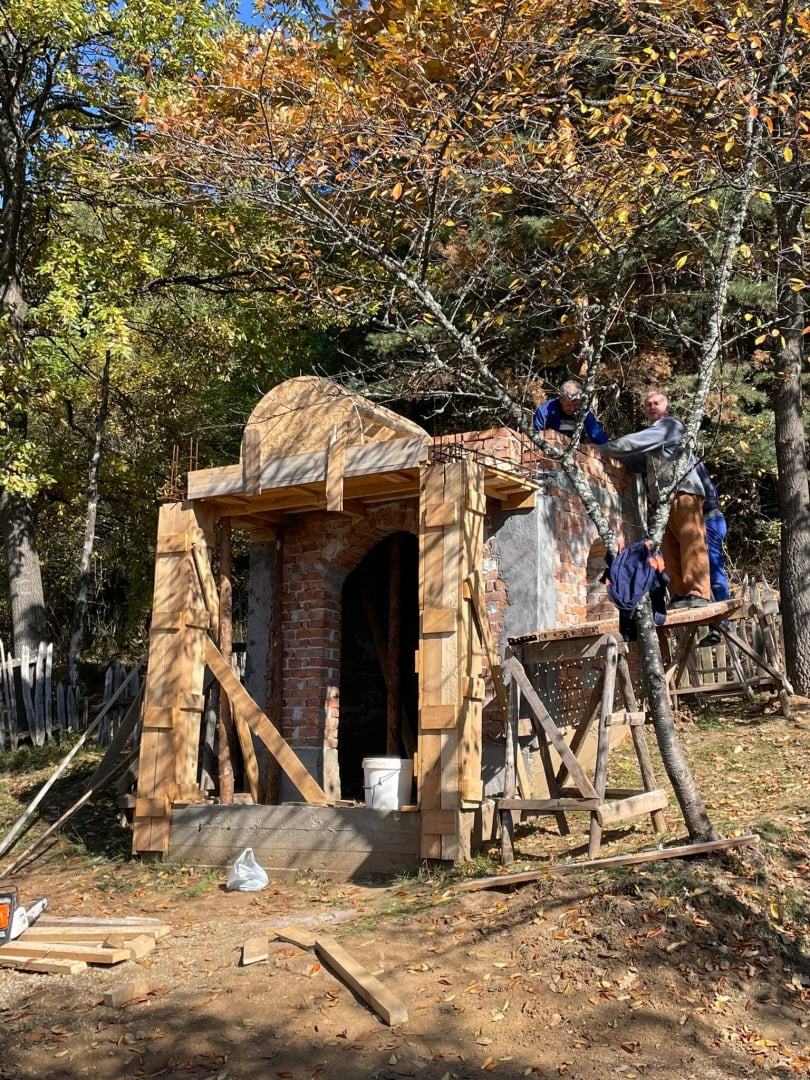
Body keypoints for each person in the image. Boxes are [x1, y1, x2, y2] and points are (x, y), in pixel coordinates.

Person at [598, 390, 711, 608]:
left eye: (656, 403)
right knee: (669, 547)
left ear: (666, 408)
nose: (651, 406)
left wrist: (605, 447)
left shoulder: (670, 427)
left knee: (691, 542)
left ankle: (698, 592)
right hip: (663, 499)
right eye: (647, 404)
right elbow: (637, 461)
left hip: (683, 490)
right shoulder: (656, 439)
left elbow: (635, 442)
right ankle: (680, 594)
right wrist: (609, 457)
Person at [696, 461, 729, 646]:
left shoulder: (688, 463)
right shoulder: (690, 461)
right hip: (711, 519)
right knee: (709, 569)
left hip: (710, 520)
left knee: (713, 570)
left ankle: (721, 622)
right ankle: (718, 626)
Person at [533, 379, 608, 444]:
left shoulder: (584, 411)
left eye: (575, 405)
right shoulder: (545, 412)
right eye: (568, 405)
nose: (572, 409)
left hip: (576, 451)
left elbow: (596, 434)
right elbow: (536, 437)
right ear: (561, 399)